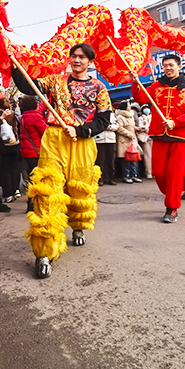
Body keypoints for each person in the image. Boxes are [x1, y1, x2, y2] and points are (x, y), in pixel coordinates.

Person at [11, 43, 111, 279]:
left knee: (79, 188)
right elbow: (28, 85)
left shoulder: (99, 87)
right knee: (48, 191)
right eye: (73, 56)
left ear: (89, 62)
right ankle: (44, 252)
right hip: (54, 138)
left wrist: (83, 131)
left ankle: (77, 226)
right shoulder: (54, 81)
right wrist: (15, 65)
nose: (76, 60)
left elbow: (104, 119)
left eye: (82, 57)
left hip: (83, 142)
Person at [130, 54, 185, 223]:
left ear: (179, 66)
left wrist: (176, 122)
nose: (168, 68)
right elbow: (141, 98)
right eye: (165, 66)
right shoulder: (157, 85)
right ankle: (172, 193)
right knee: (159, 172)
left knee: (175, 173)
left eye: (171, 65)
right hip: (160, 134)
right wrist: (135, 81)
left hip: (181, 136)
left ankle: (172, 207)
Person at [115, 100, 140, 183]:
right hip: (124, 140)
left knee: (134, 157)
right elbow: (120, 128)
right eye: (128, 106)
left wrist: (137, 129)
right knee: (126, 159)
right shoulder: (119, 117)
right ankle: (126, 175)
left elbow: (132, 127)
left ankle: (134, 175)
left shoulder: (131, 116)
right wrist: (129, 134)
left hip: (132, 139)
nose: (129, 107)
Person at [93, 111, 118, 185]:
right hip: (99, 139)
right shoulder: (96, 115)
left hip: (110, 139)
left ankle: (110, 178)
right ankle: (100, 178)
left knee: (111, 160)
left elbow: (117, 126)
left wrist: (110, 127)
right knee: (100, 160)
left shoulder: (112, 115)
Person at [136, 105, 152, 179]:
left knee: (154, 156)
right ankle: (148, 172)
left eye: (147, 108)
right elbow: (141, 127)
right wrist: (147, 127)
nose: (146, 110)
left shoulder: (153, 117)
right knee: (147, 156)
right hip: (145, 138)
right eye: (145, 109)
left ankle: (154, 171)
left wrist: (147, 127)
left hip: (153, 138)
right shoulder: (140, 118)